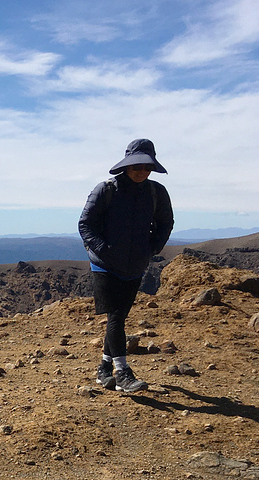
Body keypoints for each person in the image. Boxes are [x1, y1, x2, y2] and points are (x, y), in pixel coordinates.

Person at [77, 139, 174, 394]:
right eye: (135, 166)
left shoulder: (156, 193)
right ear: (126, 166)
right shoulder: (107, 189)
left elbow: (166, 223)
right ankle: (122, 373)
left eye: (145, 166)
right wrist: (103, 250)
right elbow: (85, 224)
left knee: (118, 317)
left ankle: (104, 369)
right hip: (105, 265)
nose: (140, 171)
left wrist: (152, 248)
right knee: (117, 316)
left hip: (136, 265)